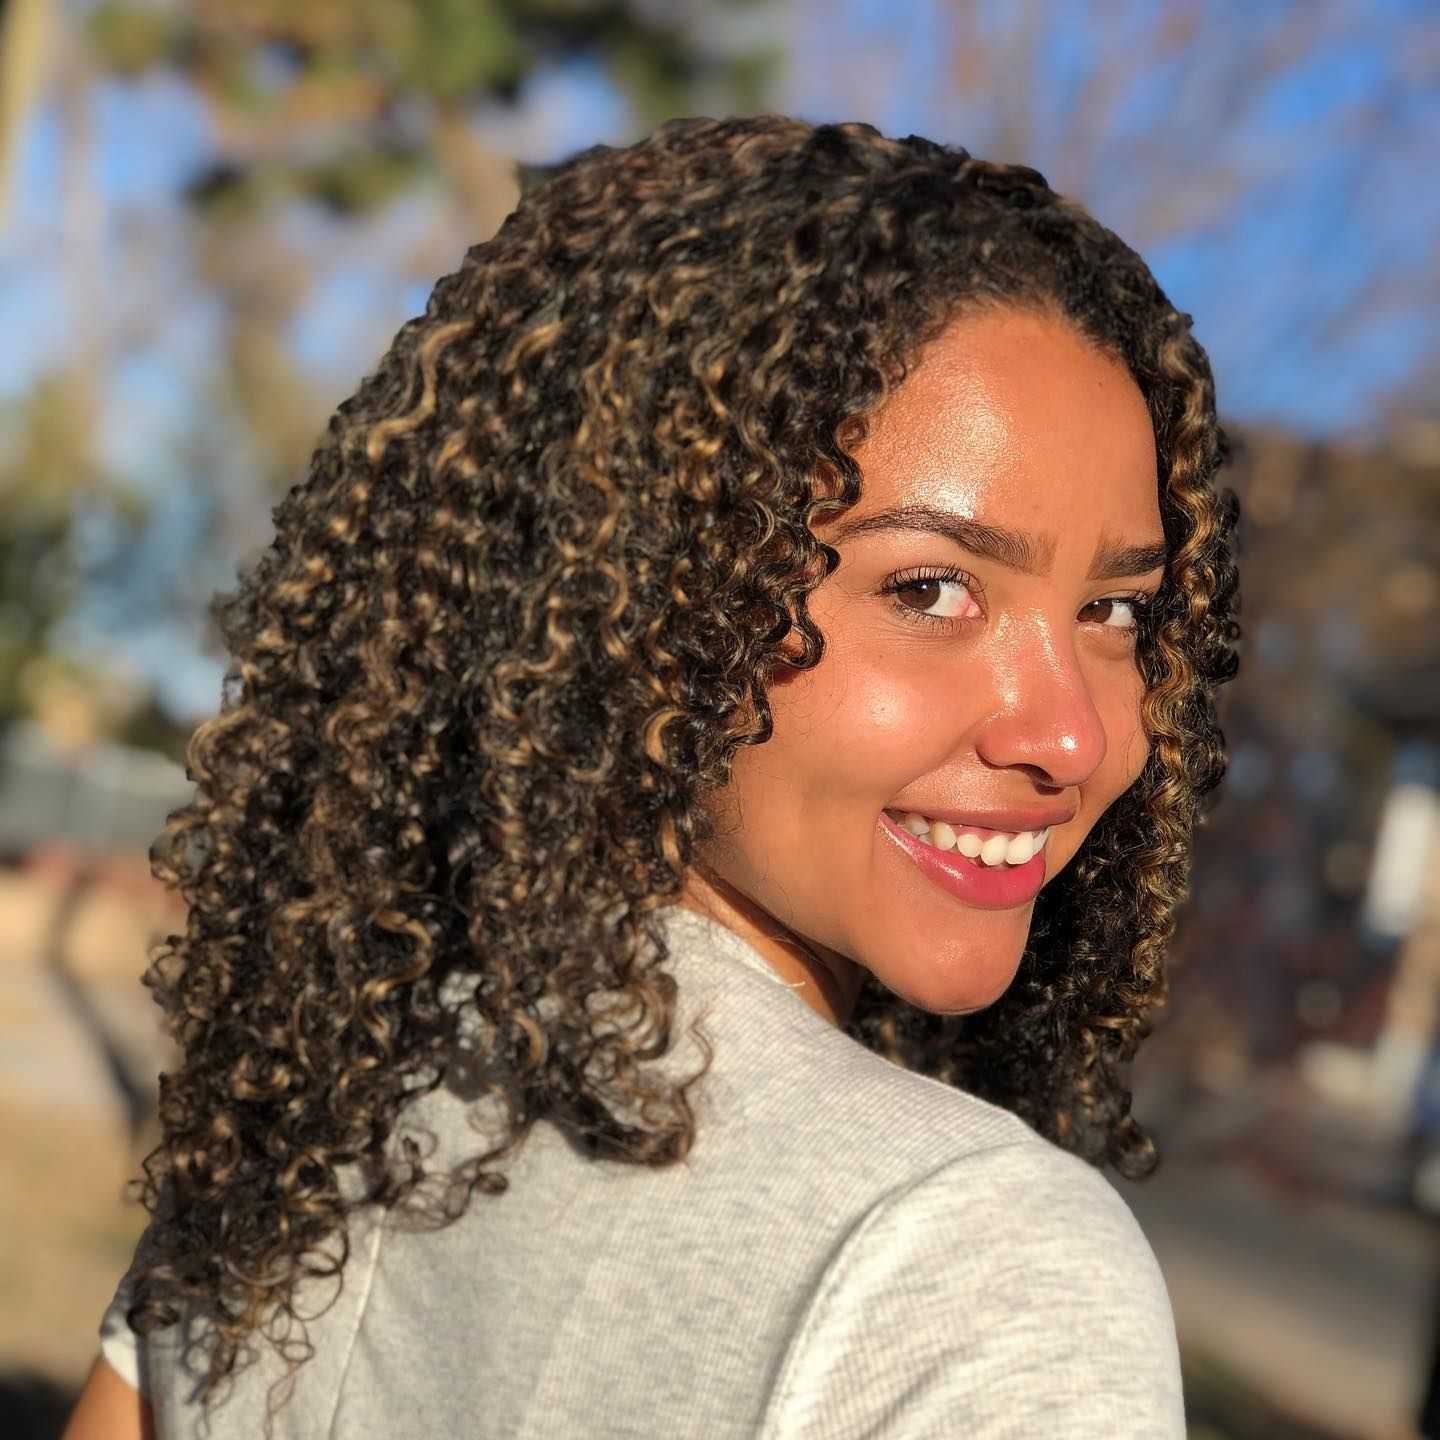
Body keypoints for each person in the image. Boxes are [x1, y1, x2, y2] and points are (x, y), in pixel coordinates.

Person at [62, 113, 1240, 1439]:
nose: (1072, 736)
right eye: (932, 588)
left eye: (1119, 614)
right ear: (641, 598)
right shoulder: (971, 1266)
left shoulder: (339, 1088)